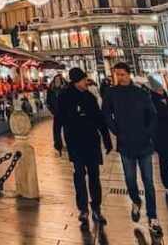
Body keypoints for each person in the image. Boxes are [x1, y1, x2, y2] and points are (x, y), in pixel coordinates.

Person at [102, 62, 161, 235]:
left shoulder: (141, 93)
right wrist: (116, 131)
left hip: (144, 143)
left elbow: (152, 115)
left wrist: (149, 132)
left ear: (129, 74)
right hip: (125, 143)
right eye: (117, 74)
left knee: (148, 181)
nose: (119, 77)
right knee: (129, 178)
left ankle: (152, 217)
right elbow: (106, 113)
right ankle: (136, 200)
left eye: (122, 74)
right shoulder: (111, 93)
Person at [54, 67, 113, 226]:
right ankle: (83, 209)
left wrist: (107, 139)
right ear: (76, 81)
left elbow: (100, 120)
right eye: (83, 80)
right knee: (79, 175)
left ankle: (96, 207)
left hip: (92, 141)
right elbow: (58, 119)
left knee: (94, 175)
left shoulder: (90, 97)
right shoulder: (65, 97)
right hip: (75, 142)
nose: (86, 82)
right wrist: (57, 140)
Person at [148, 75, 168, 196]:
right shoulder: (151, 100)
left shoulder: (167, 98)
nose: (161, 90)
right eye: (158, 88)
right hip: (161, 137)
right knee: (165, 162)